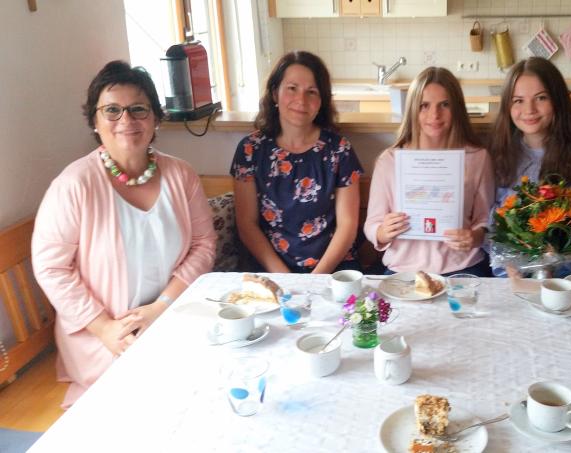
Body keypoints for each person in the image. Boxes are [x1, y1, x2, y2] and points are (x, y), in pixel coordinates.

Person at [31, 61, 216, 407]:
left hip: (173, 313)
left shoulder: (181, 174)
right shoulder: (74, 185)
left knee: (216, 382)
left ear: (156, 119)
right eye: (112, 110)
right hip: (106, 335)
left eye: (138, 110)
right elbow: (51, 268)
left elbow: (204, 245)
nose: (126, 121)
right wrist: (104, 328)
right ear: (95, 121)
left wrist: (161, 306)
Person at [231, 51, 363, 273]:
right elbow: (247, 225)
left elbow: (347, 226)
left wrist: (315, 279)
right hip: (270, 270)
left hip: (332, 271)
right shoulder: (250, 150)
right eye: (292, 88)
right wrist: (286, 278)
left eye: (312, 92)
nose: (301, 100)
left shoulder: (339, 150)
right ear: (275, 93)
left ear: (321, 101)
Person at [488, 57, 571, 276]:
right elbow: (492, 226)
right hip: (514, 278)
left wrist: (561, 260)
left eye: (541, 98)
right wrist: (509, 265)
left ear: (558, 99)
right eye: (518, 100)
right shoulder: (500, 153)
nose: (529, 109)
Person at [364, 67, 495, 276]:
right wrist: (382, 232)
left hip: (463, 266)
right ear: (413, 109)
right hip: (403, 269)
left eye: (445, 105)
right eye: (424, 105)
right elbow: (372, 224)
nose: (435, 115)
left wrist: (476, 236)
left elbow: (485, 219)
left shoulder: (478, 158)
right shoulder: (389, 161)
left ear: (457, 109)